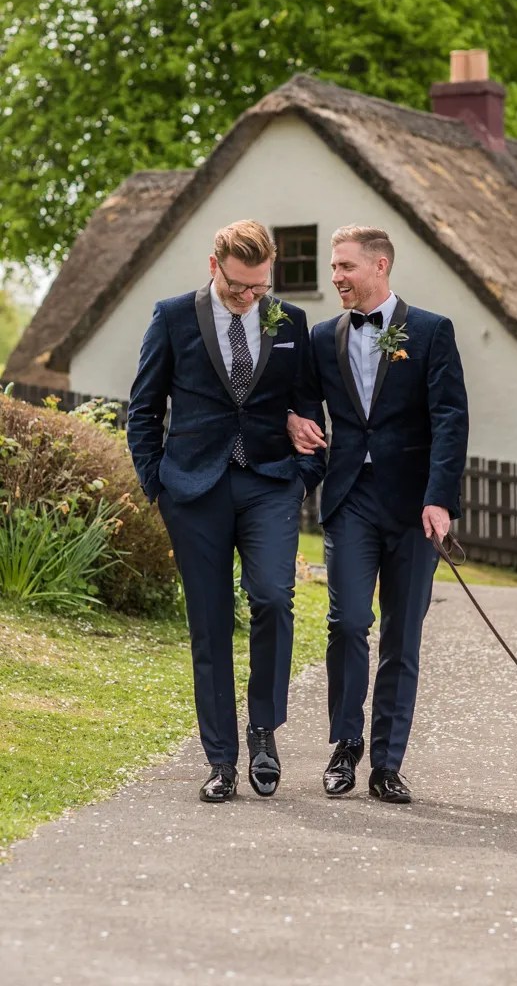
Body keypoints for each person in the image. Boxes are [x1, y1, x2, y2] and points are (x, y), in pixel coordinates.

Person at [127, 220, 324, 804]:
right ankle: (220, 761)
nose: (249, 298)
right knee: (209, 626)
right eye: (239, 286)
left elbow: (308, 410)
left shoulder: (289, 321)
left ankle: (263, 730)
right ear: (214, 266)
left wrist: (300, 479)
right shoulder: (172, 317)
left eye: (259, 287)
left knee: (271, 598)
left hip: (268, 485)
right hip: (193, 492)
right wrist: (156, 487)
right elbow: (143, 409)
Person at [289, 225, 468, 803]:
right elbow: (299, 399)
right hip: (349, 500)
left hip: (415, 506)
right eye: (333, 267)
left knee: (401, 635)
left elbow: (450, 418)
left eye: (345, 266)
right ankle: (345, 746)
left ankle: (387, 762)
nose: (335, 277)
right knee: (346, 624)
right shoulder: (321, 338)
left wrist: (440, 498)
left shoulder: (432, 331)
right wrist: (295, 420)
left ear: (380, 266)